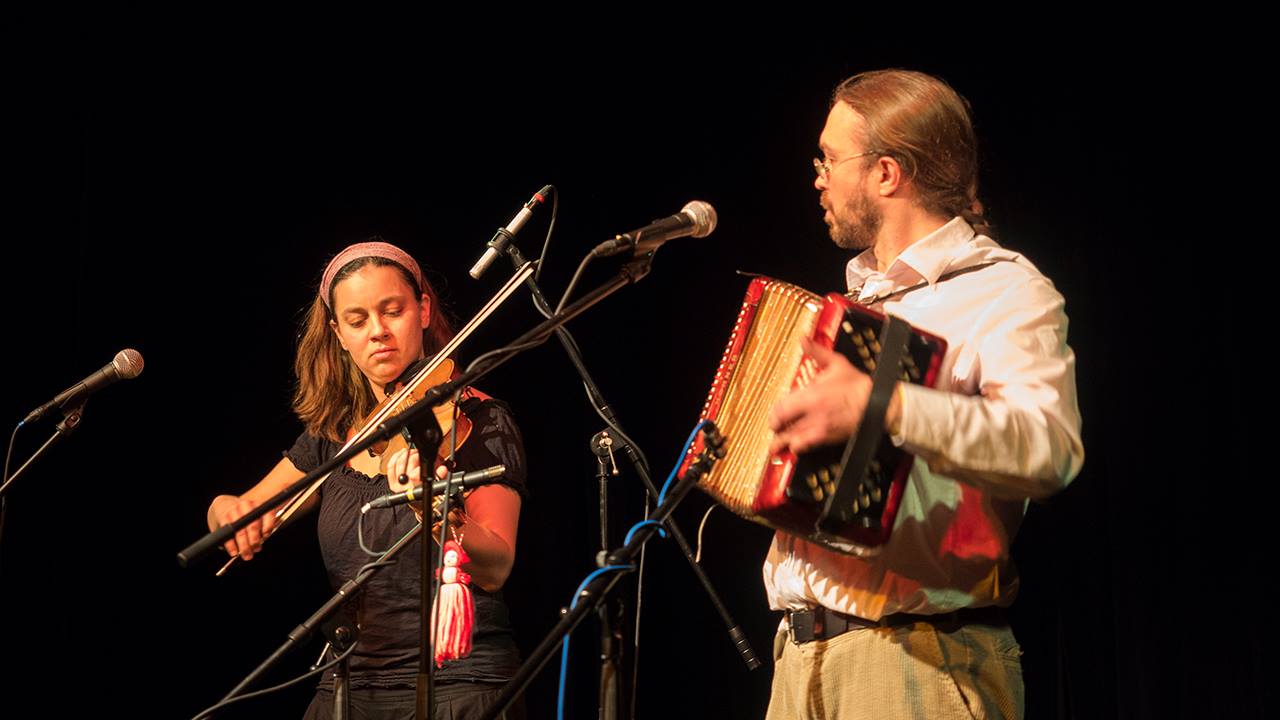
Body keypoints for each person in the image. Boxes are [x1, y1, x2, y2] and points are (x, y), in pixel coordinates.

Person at [764, 70, 1084, 719]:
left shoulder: (1004, 291)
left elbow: (1050, 448)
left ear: (887, 174)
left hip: (917, 667)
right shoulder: (851, 303)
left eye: (830, 157)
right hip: (797, 665)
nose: (817, 174)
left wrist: (885, 405)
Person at [206, 240, 527, 720]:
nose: (378, 332)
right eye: (357, 321)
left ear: (422, 310)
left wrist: (432, 505)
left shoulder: (477, 418)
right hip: (347, 687)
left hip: (460, 685)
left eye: (392, 311)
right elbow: (244, 506)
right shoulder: (334, 435)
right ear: (338, 333)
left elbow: (496, 565)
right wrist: (226, 510)